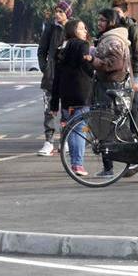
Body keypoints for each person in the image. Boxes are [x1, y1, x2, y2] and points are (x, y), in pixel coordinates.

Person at [53, 19, 95, 176]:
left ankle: (74, 163)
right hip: (81, 94)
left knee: (71, 128)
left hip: (66, 97)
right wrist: (92, 62)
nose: (85, 31)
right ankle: (78, 163)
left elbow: (56, 77)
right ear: (74, 31)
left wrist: (53, 103)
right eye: (82, 29)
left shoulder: (61, 48)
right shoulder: (82, 45)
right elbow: (88, 69)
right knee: (81, 129)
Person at [36, 0, 71, 157]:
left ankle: (66, 141)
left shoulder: (74, 28)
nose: (57, 14)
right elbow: (41, 50)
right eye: (56, 11)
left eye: (61, 12)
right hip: (51, 77)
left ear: (68, 14)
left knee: (67, 110)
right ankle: (48, 142)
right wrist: (45, 67)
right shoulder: (50, 28)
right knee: (49, 110)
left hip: (68, 76)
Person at [111, 0, 138, 110]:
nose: (116, 15)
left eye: (118, 12)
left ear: (124, 13)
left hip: (132, 71)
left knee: (132, 102)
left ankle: (133, 127)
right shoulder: (112, 27)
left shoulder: (133, 29)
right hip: (117, 71)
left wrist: (136, 76)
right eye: (114, 12)